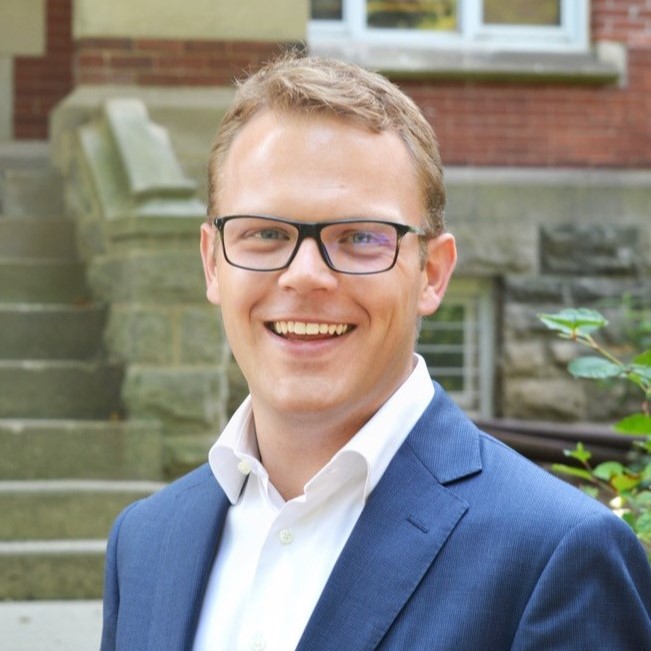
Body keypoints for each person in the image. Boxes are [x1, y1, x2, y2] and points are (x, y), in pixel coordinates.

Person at [100, 53, 651, 651]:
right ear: (213, 263)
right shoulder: (145, 544)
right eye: (265, 233)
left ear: (432, 274)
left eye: (360, 237)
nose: (304, 275)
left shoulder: (556, 557)